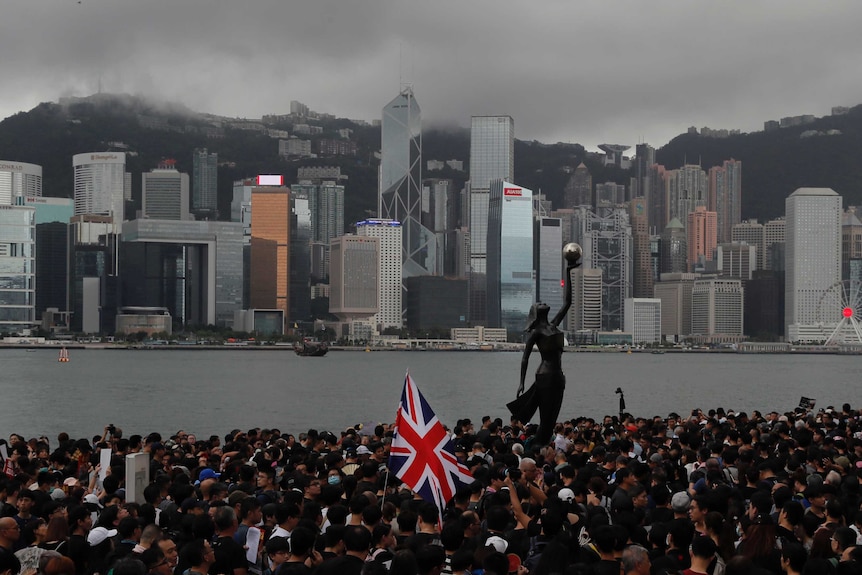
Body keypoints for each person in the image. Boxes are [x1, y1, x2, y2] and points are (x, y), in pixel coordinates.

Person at [508, 246, 579, 446]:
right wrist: (522, 382)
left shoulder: (553, 324)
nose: (543, 302)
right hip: (544, 376)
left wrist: (568, 271)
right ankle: (537, 449)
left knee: (552, 417)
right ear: (536, 312)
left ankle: (541, 447)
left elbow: (568, 302)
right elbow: (525, 358)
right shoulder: (536, 333)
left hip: (558, 377)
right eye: (539, 303)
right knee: (546, 419)